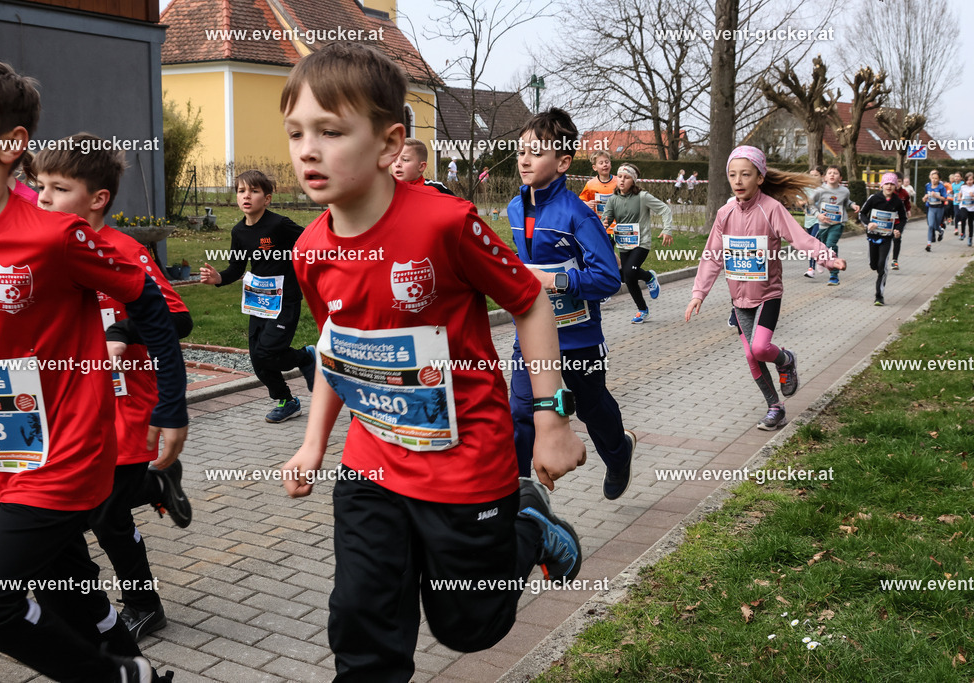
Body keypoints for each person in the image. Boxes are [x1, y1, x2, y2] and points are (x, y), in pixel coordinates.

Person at [278, 42, 587, 682]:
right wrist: (314, 443)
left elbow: (530, 304)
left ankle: (527, 523)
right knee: (362, 626)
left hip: (466, 463)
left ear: (391, 144)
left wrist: (553, 418)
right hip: (372, 464)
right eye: (296, 133)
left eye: (330, 132)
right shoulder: (309, 250)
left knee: (468, 626)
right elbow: (340, 348)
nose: (308, 150)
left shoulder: (445, 224)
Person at [0, 58, 184, 682]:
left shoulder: (56, 237)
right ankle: (132, 660)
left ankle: (120, 676)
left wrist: (172, 406)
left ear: (8, 146)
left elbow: (155, 304)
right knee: (65, 587)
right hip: (1, 456)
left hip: (70, 456)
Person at [33, 132, 194, 643]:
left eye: (58, 188)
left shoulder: (124, 250)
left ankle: (144, 605)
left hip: (129, 406)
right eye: (39, 186)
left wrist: (122, 332)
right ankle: (153, 485)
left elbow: (180, 318)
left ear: (98, 199)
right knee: (94, 506)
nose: (42, 198)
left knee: (105, 513)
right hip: (72, 409)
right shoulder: (46, 251)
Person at [508, 107, 636, 500]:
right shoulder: (515, 208)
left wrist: (556, 280)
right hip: (530, 335)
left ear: (563, 162)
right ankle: (516, 497)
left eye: (537, 152)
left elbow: (608, 279)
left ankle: (619, 454)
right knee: (520, 412)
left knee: (591, 408)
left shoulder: (578, 215)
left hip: (579, 336)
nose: (525, 159)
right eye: (521, 151)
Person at [685, 146, 845, 431]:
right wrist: (699, 293)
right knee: (751, 354)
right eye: (733, 175)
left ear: (759, 177)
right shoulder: (724, 213)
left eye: (745, 174)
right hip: (739, 297)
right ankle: (775, 407)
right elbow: (712, 254)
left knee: (760, 347)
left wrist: (828, 257)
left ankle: (785, 359)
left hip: (768, 293)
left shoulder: (771, 208)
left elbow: (800, 238)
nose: (738, 181)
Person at [199, 170, 314, 423]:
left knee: (266, 352)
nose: (246, 196)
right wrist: (218, 278)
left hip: (285, 299)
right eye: (241, 191)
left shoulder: (279, 224)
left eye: (253, 191)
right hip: (259, 302)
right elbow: (236, 268)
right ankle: (287, 400)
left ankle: (307, 357)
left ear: (267, 198)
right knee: (258, 361)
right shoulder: (239, 231)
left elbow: (311, 240)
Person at [602, 163, 673, 323]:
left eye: (626, 178)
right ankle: (642, 308)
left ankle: (648, 278)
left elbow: (665, 209)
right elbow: (606, 218)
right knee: (628, 277)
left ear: (633, 181)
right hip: (623, 243)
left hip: (641, 243)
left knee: (630, 272)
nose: (622, 180)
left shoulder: (642, 197)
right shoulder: (613, 200)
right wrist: (604, 224)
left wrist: (667, 229)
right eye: (620, 176)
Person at [858, 173, 907, 305]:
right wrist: (868, 224)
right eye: (887, 183)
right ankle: (878, 269)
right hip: (873, 237)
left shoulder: (897, 201)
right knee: (874, 265)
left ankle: (879, 296)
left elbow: (903, 218)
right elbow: (862, 213)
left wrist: (898, 230)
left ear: (896, 186)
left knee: (882, 266)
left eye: (892, 184)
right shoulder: (874, 198)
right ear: (882, 185)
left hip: (886, 238)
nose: (889, 186)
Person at [811, 165, 858, 286]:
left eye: (835, 173)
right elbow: (809, 204)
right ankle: (822, 260)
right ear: (825, 177)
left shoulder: (844, 191)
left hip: (838, 223)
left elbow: (847, 201)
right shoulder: (819, 191)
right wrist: (818, 215)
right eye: (830, 173)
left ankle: (834, 275)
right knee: (824, 247)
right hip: (823, 224)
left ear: (840, 178)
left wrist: (853, 205)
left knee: (831, 245)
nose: (832, 175)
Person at [578, 150, 617, 219]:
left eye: (606, 162)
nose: (605, 164)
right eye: (601, 163)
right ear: (594, 167)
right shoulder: (590, 184)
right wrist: (587, 204)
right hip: (598, 224)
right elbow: (580, 203)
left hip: (616, 225)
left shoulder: (619, 182)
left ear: (610, 164)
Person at [800, 167, 822, 278]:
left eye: (816, 175)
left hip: (820, 220)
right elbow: (798, 202)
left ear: (821, 177)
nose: (813, 178)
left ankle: (811, 269)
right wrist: (805, 201)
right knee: (813, 244)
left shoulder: (825, 189)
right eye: (811, 175)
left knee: (812, 242)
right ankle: (820, 258)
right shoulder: (806, 189)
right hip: (808, 220)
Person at [923, 169, 948, 251]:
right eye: (932, 178)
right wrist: (925, 198)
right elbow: (925, 196)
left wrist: (937, 196)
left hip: (939, 208)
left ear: (939, 179)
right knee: (930, 226)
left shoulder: (941, 187)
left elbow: (945, 199)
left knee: (936, 226)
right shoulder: (927, 186)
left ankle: (941, 231)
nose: (933, 180)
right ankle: (929, 244)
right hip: (931, 208)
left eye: (936, 178)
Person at [956, 172, 974, 246]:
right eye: (967, 180)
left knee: (970, 223)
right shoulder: (963, 186)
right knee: (963, 217)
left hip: (972, 207)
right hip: (964, 205)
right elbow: (960, 193)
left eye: (971, 180)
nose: (969, 181)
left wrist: (972, 196)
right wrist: (959, 197)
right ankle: (962, 233)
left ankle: (970, 238)